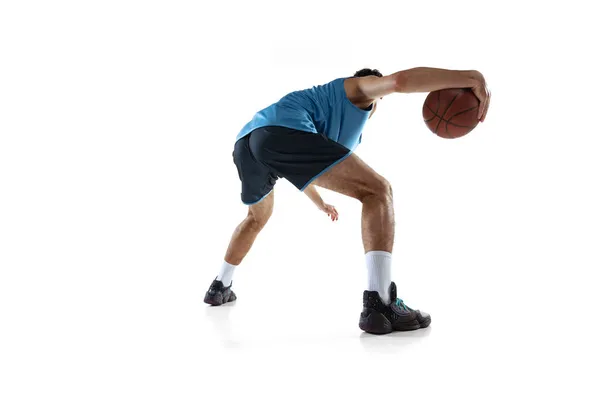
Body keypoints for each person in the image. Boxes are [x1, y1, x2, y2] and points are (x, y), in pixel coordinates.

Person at [204, 67, 491, 334]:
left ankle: (220, 285)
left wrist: (319, 203)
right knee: (378, 191)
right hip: (280, 133)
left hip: (249, 142)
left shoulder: (329, 119)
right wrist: (469, 77)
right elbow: (399, 82)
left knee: (257, 218)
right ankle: (381, 303)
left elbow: (297, 161)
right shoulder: (356, 91)